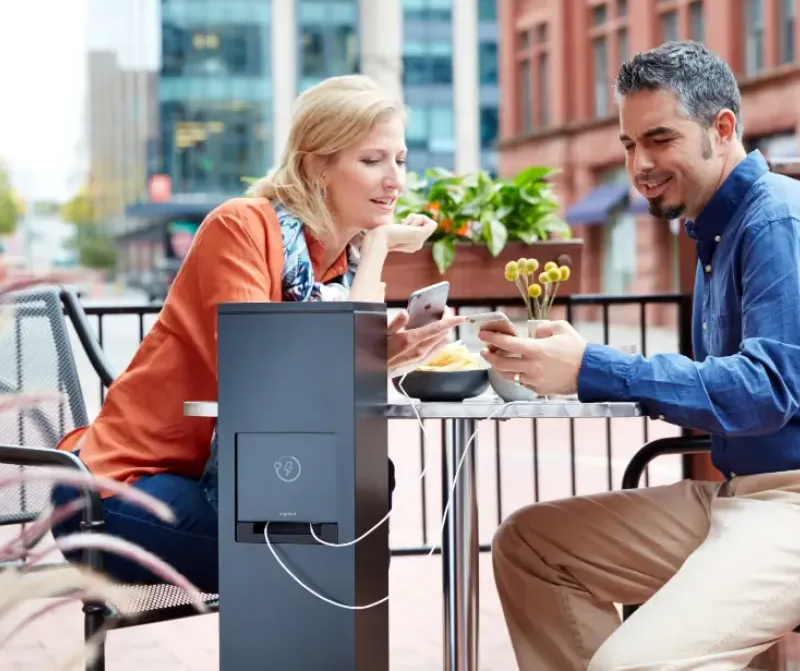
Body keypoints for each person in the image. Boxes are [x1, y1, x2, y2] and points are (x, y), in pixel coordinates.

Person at [51, 75, 463, 594]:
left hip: (206, 479)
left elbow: (321, 386)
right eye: (372, 160)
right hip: (117, 493)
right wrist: (379, 249)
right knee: (313, 546)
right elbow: (260, 377)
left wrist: (388, 356)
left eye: (400, 160)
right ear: (316, 164)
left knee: (363, 482)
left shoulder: (333, 267)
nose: (396, 181)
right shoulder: (242, 227)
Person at [480, 41, 800, 670]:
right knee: (532, 546)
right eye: (629, 145)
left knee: (631, 664)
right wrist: (581, 366)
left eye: (659, 139)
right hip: (740, 496)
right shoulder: (714, 230)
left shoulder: (774, 223)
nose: (641, 164)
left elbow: (766, 390)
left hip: (790, 505)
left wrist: (595, 367)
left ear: (722, 129)